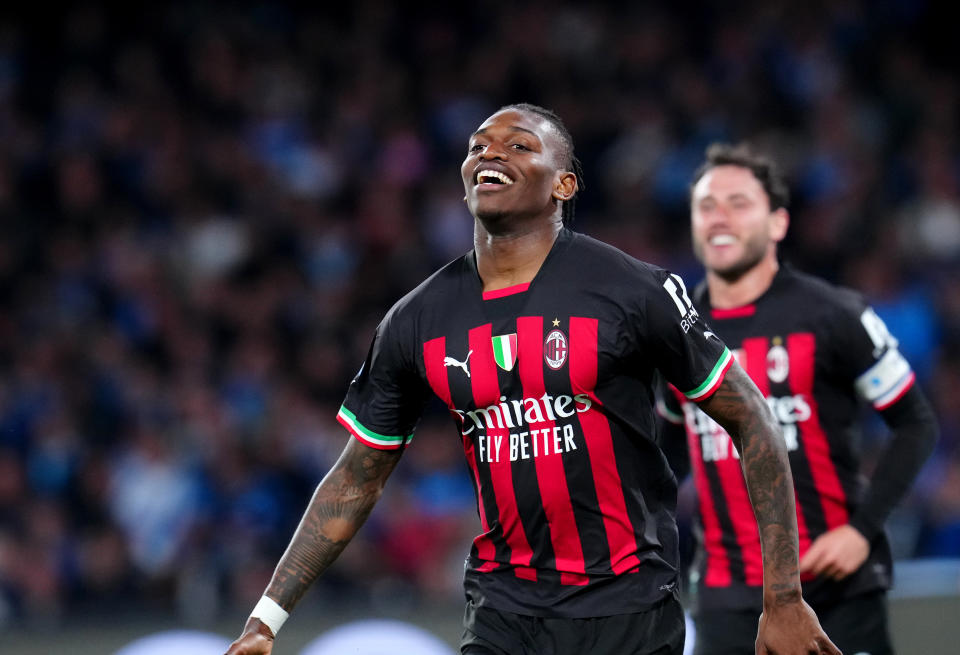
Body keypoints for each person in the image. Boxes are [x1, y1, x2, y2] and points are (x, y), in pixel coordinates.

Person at [225, 105, 839, 655]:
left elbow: (752, 417)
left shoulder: (633, 290)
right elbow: (357, 476)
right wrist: (265, 620)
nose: (490, 153)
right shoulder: (416, 320)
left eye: (519, 145)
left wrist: (782, 597)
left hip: (629, 609)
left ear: (564, 185)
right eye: (478, 146)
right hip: (503, 613)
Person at [657, 143, 939, 655]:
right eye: (706, 205)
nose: (719, 217)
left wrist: (862, 529)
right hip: (724, 598)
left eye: (739, 203)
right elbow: (665, 453)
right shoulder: (673, 331)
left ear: (779, 223)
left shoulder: (834, 315)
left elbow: (915, 423)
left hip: (834, 592)